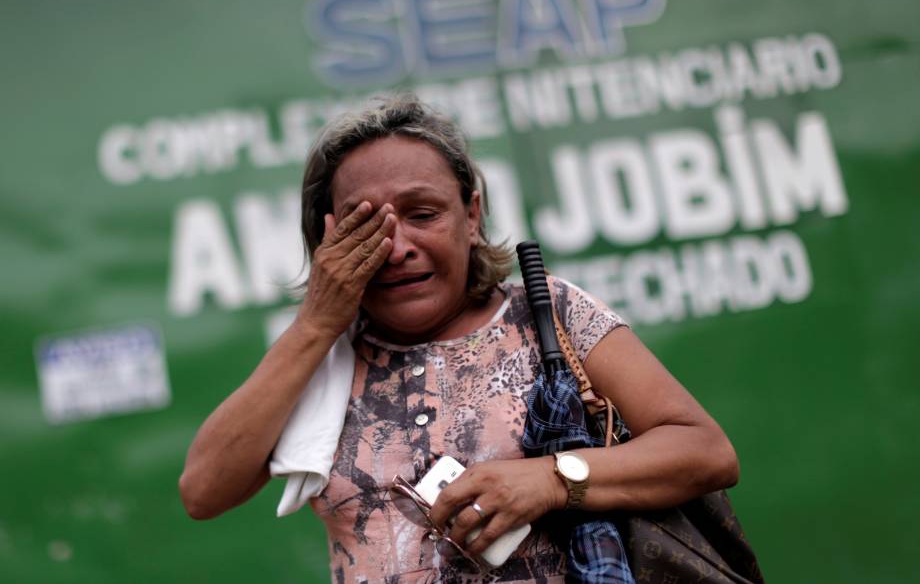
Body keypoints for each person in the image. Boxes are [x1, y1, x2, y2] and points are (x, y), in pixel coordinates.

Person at [179, 94, 740, 582]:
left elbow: (704, 452)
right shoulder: (319, 356)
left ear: (471, 216)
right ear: (327, 238)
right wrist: (317, 322)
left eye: (423, 214)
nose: (397, 248)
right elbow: (203, 491)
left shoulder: (546, 314)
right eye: (366, 225)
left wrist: (551, 480)